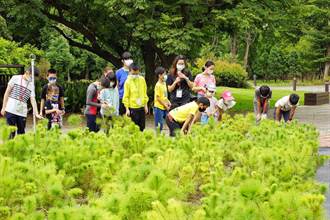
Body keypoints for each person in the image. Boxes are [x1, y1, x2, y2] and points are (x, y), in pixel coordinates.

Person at [0, 66, 42, 138]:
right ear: (27, 72)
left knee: (21, 134)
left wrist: (36, 113)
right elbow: (7, 93)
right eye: (32, 77)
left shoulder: (31, 85)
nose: (32, 79)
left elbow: (33, 99)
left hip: (22, 113)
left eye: (34, 78)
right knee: (10, 133)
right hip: (11, 110)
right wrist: (3, 107)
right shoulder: (15, 78)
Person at [123, 63, 149, 131]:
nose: (135, 75)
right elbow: (126, 97)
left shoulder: (142, 79)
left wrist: (145, 106)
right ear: (130, 71)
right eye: (133, 73)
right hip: (133, 109)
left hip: (141, 107)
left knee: (142, 128)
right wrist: (127, 109)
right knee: (134, 128)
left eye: (137, 73)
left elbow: (144, 93)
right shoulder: (127, 82)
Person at [154, 67, 171, 131]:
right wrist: (165, 105)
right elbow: (158, 98)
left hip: (164, 107)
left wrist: (168, 102)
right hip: (159, 107)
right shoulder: (157, 85)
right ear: (159, 75)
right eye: (164, 74)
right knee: (159, 125)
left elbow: (164, 96)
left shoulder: (164, 83)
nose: (165, 75)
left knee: (169, 121)